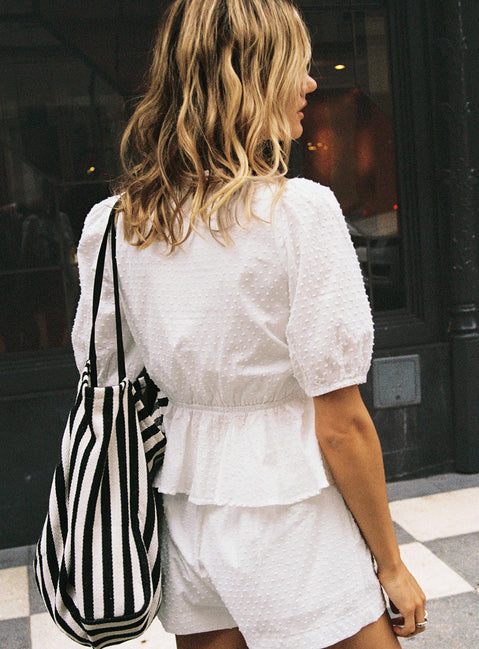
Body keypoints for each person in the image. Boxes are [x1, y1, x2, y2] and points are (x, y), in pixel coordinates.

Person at [71, 1, 426, 648]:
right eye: (296, 67)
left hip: (185, 503)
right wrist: (391, 564)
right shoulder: (298, 215)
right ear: (250, 79)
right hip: (288, 504)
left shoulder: (117, 224)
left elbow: (105, 367)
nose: (310, 84)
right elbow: (340, 423)